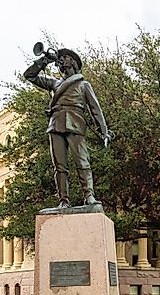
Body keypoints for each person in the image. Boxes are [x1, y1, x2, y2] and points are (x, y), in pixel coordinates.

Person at [23, 48, 111, 209]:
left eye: (65, 57)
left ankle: (89, 196)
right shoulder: (54, 83)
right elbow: (29, 75)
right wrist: (45, 61)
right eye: (60, 57)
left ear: (73, 62)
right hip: (55, 123)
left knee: (82, 162)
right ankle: (63, 200)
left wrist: (104, 131)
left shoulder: (83, 84)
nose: (61, 59)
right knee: (60, 167)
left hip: (75, 122)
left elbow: (95, 109)